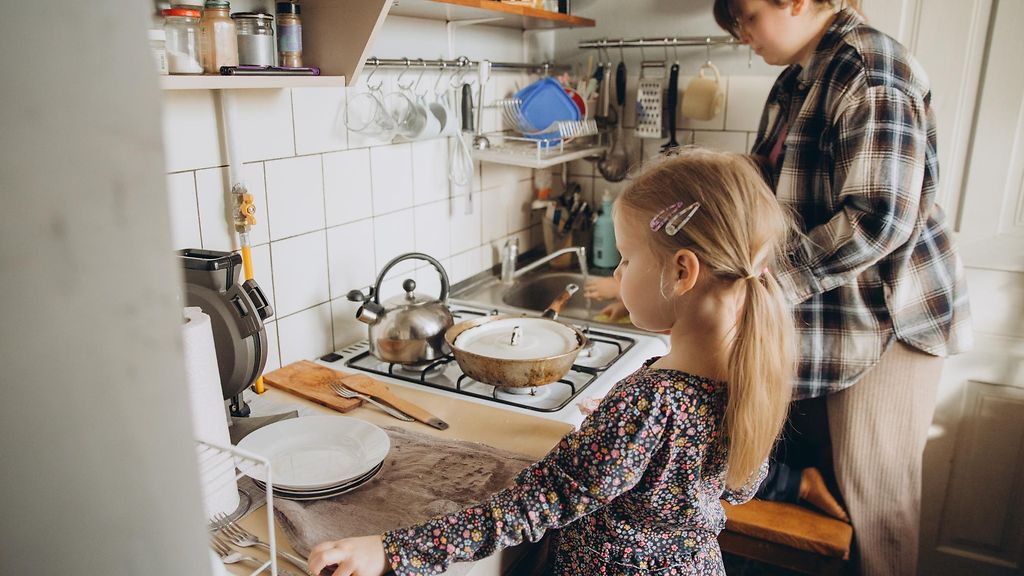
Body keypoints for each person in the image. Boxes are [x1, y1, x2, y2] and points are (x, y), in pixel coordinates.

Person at [307, 149, 797, 576]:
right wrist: (623, 439)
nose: (617, 271)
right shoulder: (748, 368)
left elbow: (534, 504)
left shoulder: (652, 403)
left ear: (682, 271)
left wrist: (393, 550)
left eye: (625, 259)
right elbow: (740, 486)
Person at [713, 1, 973, 574]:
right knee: (829, 509)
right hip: (830, 318)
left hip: (889, 322)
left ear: (798, 1)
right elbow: (766, 180)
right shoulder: (795, 79)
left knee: (876, 512)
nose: (742, 35)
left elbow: (877, 218)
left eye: (749, 16)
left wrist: (769, 284)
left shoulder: (871, 69)